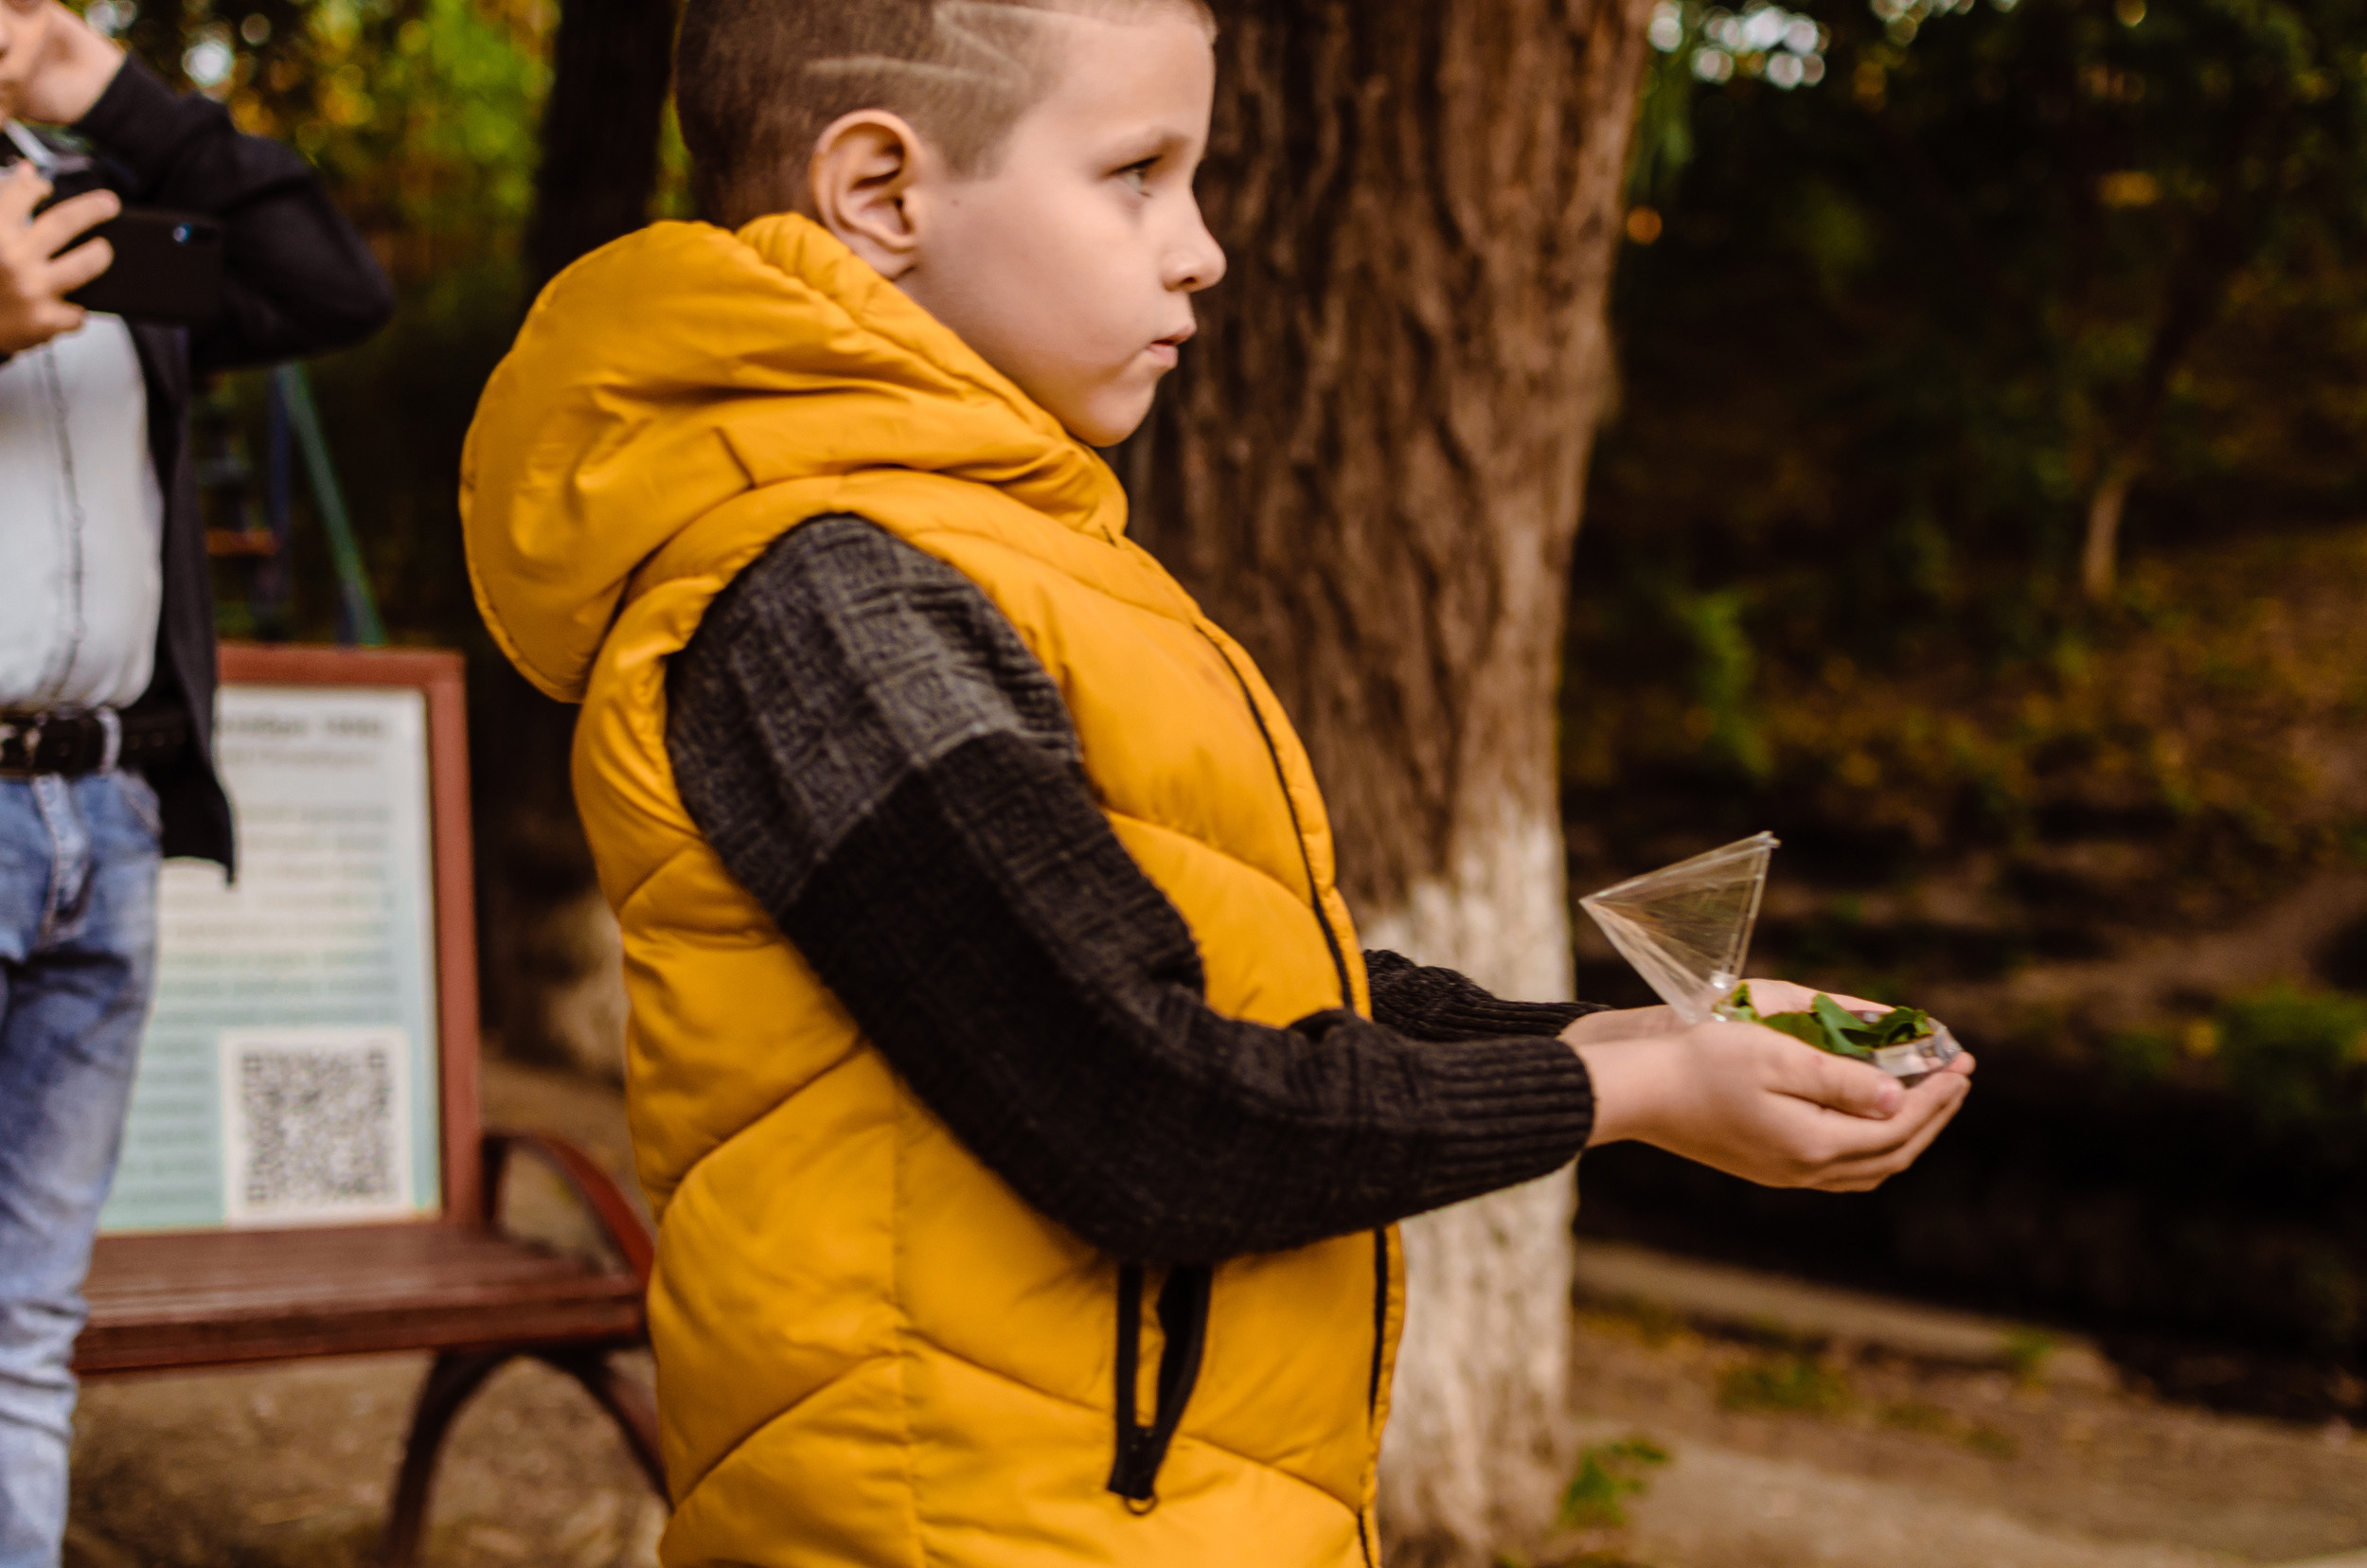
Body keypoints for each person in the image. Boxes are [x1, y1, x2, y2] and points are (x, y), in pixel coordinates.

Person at [460, 2, 1973, 1562]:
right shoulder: (826, 597)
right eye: (1138, 173)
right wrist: (1629, 1093)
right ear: (882, 194)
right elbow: (1145, 1106)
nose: (1203, 251)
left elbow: (1233, 991)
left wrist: (1636, 1040)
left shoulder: (995, 553)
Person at [0, 0, 393, 1559]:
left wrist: (107, 90)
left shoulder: (87, 197)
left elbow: (330, 284)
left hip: (106, 814)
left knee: (25, 1325)